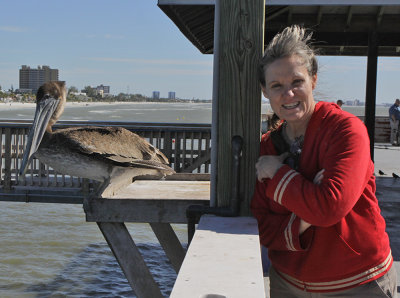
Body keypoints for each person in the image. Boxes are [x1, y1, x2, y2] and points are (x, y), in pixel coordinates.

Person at [251, 25, 397, 297]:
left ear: (313, 80)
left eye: (297, 82)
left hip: (359, 283)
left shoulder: (346, 131)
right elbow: (261, 226)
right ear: (264, 91)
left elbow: (330, 207)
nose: (288, 94)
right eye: (277, 86)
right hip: (287, 285)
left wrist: (279, 173)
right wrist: (307, 216)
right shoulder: (267, 146)